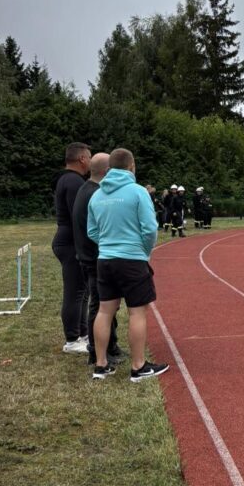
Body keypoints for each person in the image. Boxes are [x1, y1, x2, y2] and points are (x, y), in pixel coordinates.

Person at [87, 148, 169, 383]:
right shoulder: (138, 192)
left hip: (105, 260)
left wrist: (108, 244)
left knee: (105, 311)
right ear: (132, 166)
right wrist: (144, 251)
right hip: (132, 259)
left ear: (110, 168)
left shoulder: (97, 195)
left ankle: (101, 365)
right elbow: (149, 229)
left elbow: (92, 231)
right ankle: (138, 366)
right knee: (137, 312)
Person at [72, 152, 124, 369]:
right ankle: (97, 351)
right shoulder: (96, 194)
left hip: (90, 256)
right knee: (101, 305)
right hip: (95, 258)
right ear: (108, 171)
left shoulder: (87, 189)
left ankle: (110, 345)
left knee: (106, 303)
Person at [52, 142, 92, 353]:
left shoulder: (68, 179)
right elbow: (78, 217)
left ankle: (83, 333)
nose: (91, 161)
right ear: (82, 159)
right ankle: (72, 339)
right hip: (70, 243)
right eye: (90, 157)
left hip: (69, 240)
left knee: (82, 291)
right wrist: (83, 247)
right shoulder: (74, 181)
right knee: (75, 292)